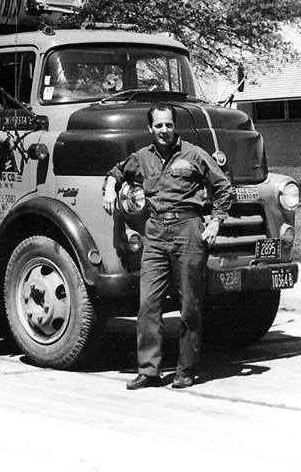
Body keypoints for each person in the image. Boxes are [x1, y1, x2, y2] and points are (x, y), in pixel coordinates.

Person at [102, 103, 233, 390]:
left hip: (188, 230)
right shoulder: (142, 158)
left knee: (189, 305)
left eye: (169, 125)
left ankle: (186, 370)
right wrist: (111, 187)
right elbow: (116, 171)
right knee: (148, 304)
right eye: (159, 125)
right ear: (150, 128)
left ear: (175, 126)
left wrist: (215, 221)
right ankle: (149, 370)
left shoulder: (194, 154)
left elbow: (224, 187)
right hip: (155, 232)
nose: (164, 130)